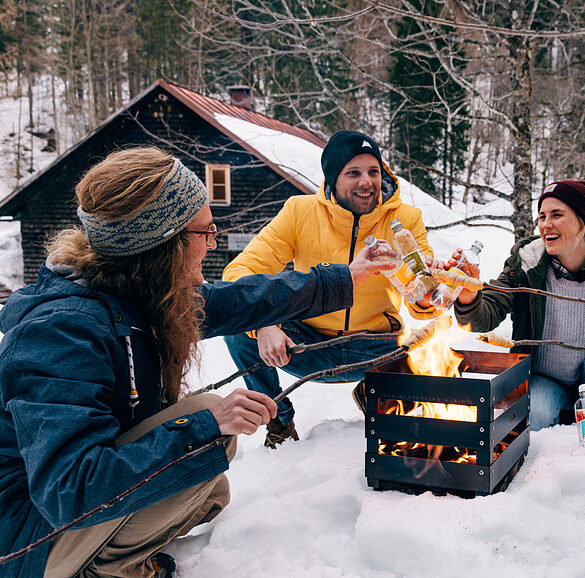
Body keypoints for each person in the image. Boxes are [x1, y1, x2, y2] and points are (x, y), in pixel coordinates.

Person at [0, 147, 389, 577]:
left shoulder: (135, 288)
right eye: (205, 232)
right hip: (26, 540)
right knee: (204, 432)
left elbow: (240, 299)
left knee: (209, 491)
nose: (212, 243)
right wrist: (209, 425)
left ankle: (111, 554)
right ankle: (100, 570)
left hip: (62, 515)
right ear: (161, 245)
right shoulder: (61, 334)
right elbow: (69, 490)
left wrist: (343, 279)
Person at [223, 129, 441, 448]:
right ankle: (279, 421)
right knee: (240, 331)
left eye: (373, 171)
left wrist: (427, 291)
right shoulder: (299, 212)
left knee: (432, 343)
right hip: (305, 343)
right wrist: (264, 325)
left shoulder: (406, 220)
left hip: (374, 347)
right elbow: (238, 273)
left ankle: (376, 395)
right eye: (353, 172)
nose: (366, 181)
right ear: (332, 177)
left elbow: (423, 306)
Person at [453, 180, 585, 431]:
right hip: (544, 379)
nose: (545, 225)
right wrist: (469, 295)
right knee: (537, 416)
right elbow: (488, 312)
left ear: (584, 222)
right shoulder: (527, 263)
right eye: (541, 216)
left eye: (556, 215)